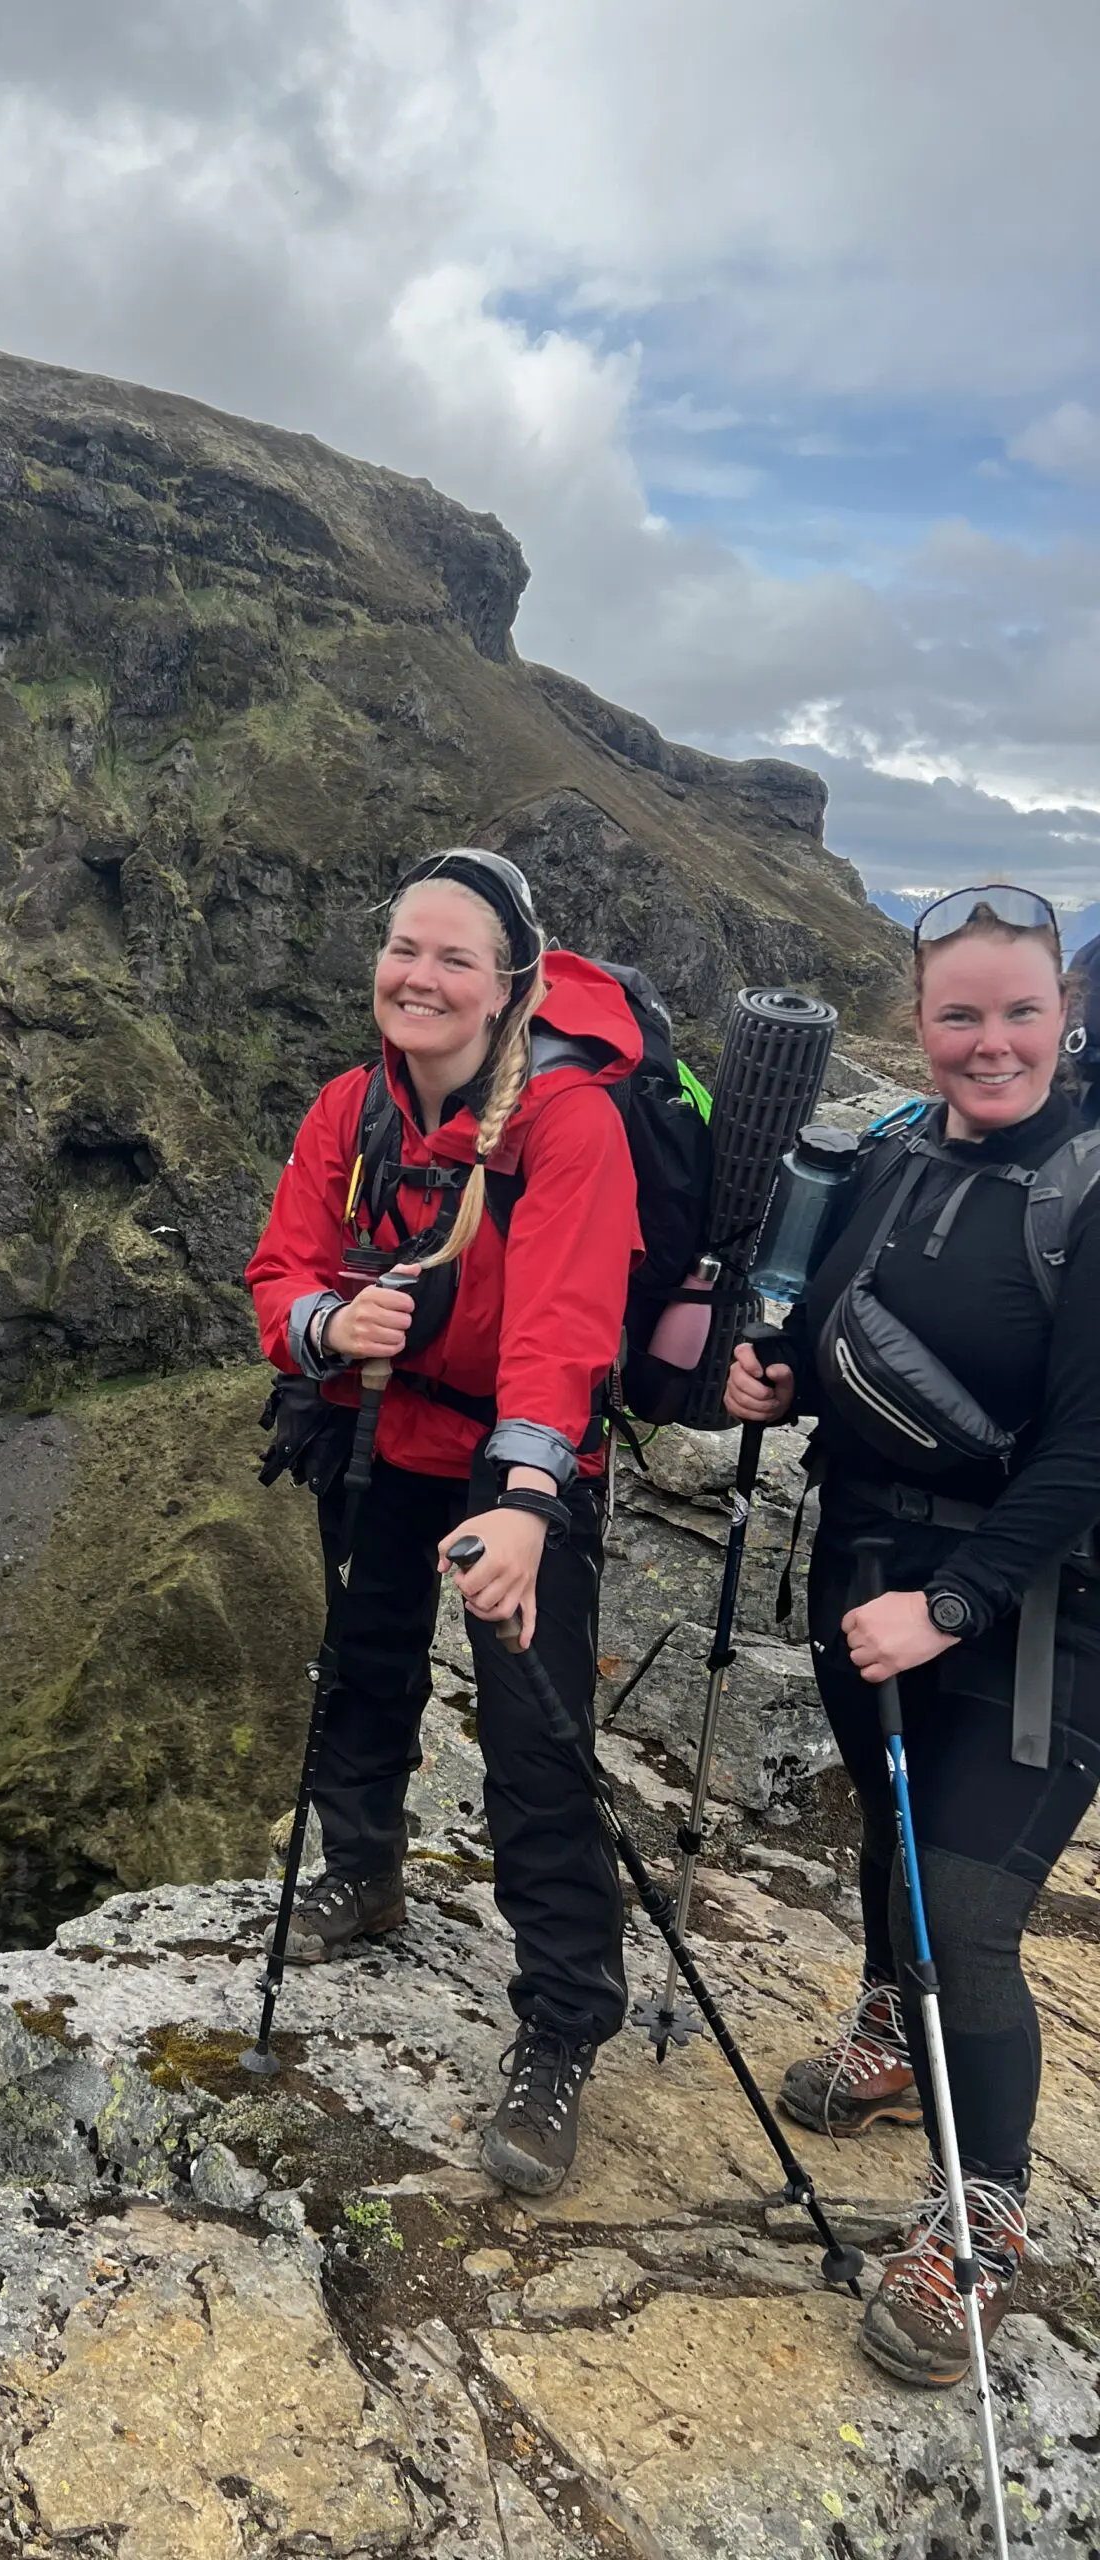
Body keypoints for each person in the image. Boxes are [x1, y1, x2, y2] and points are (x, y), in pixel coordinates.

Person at [725, 884, 1100, 2388]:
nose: (990, 1042)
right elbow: (841, 1334)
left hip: (1040, 1610)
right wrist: (774, 1378)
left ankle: (983, 2222)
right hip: (869, 1563)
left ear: (1065, 1017)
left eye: (1020, 1012)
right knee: (891, 1837)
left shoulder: (1087, 1191)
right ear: (919, 1021)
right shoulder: (891, 1156)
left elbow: (1087, 1452)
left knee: (964, 1902)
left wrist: (952, 1608)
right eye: (960, 1015)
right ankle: (892, 2035)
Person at [246, 848, 642, 2196]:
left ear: (511, 983)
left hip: (519, 1459)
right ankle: (363, 1874)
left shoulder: (566, 1124)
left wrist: (527, 1503)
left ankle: (562, 2024)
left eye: (453, 958)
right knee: (362, 1664)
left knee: (534, 1731)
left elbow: (563, 1329)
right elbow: (281, 1267)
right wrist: (325, 1327)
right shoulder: (352, 1107)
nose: (419, 978)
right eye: (404, 949)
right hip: (381, 1428)